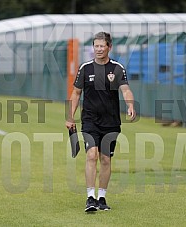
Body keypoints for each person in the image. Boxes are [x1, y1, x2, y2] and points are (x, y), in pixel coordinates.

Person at [65, 31, 136, 212]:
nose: (98, 49)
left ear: (109, 47)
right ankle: (90, 197)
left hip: (111, 122)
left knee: (106, 159)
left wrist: (130, 106)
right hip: (89, 120)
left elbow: (126, 90)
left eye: (101, 46)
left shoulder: (117, 68)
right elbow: (76, 93)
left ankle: (101, 198)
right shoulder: (85, 68)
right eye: (95, 46)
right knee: (91, 155)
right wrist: (69, 116)